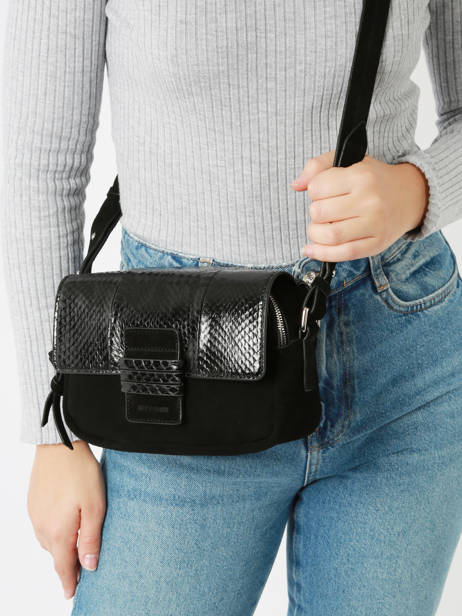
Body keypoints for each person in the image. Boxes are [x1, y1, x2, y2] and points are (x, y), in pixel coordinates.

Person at [2, 1, 462, 614]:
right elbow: (38, 169)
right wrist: (55, 434)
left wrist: (417, 190)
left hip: (402, 365)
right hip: (174, 372)